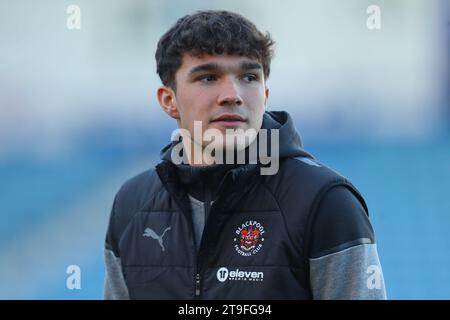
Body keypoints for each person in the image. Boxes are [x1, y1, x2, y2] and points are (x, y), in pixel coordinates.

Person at [104, 10, 387, 300]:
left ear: (265, 94)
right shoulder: (131, 204)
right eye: (208, 77)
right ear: (169, 100)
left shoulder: (324, 201)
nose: (232, 94)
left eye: (249, 76)